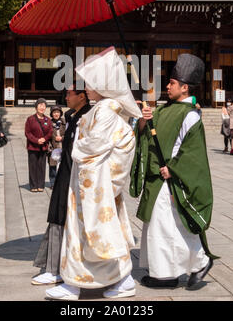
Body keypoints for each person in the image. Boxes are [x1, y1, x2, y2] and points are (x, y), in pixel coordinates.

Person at [45, 46, 142, 300]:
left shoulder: (107, 109)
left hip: (94, 182)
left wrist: (73, 144)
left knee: (90, 231)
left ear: (103, 84)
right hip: (93, 181)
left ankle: (79, 283)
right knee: (100, 232)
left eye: (90, 83)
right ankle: (117, 279)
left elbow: (94, 145)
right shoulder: (102, 107)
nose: (86, 88)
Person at [130, 53, 218, 290]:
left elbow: (193, 152)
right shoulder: (162, 110)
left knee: (168, 224)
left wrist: (175, 169)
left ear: (184, 87)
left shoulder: (190, 115)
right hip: (157, 177)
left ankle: (191, 265)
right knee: (163, 225)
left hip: (170, 178)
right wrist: (143, 121)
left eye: (171, 83)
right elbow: (146, 136)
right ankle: (169, 271)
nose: (167, 86)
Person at [32, 83, 91, 286]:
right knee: (58, 215)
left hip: (78, 175)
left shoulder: (88, 117)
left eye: (69, 93)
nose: (66, 97)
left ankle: (60, 268)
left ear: (82, 96)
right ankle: (53, 266)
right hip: (66, 171)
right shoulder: (73, 116)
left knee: (69, 218)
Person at [25, 98, 53, 192]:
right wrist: (36, 140)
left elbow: (50, 132)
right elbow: (27, 133)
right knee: (33, 166)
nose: (42, 107)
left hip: (43, 146)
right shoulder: (30, 119)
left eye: (44, 105)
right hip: (33, 146)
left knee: (41, 166)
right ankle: (33, 185)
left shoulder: (47, 119)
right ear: (36, 107)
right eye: (40, 105)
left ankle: (41, 185)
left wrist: (44, 139)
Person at [48, 105, 65, 190]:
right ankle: (53, 183)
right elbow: (47, 134)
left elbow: (69, 133)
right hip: (53, 147)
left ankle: (62, 182)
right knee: (52, 166)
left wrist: (62, 138)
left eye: (58, 112)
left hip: (63, 146)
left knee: (63, 166)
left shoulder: (64, 123)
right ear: (51, 114)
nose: (56, 114)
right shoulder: (49, 123)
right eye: (54, 112)